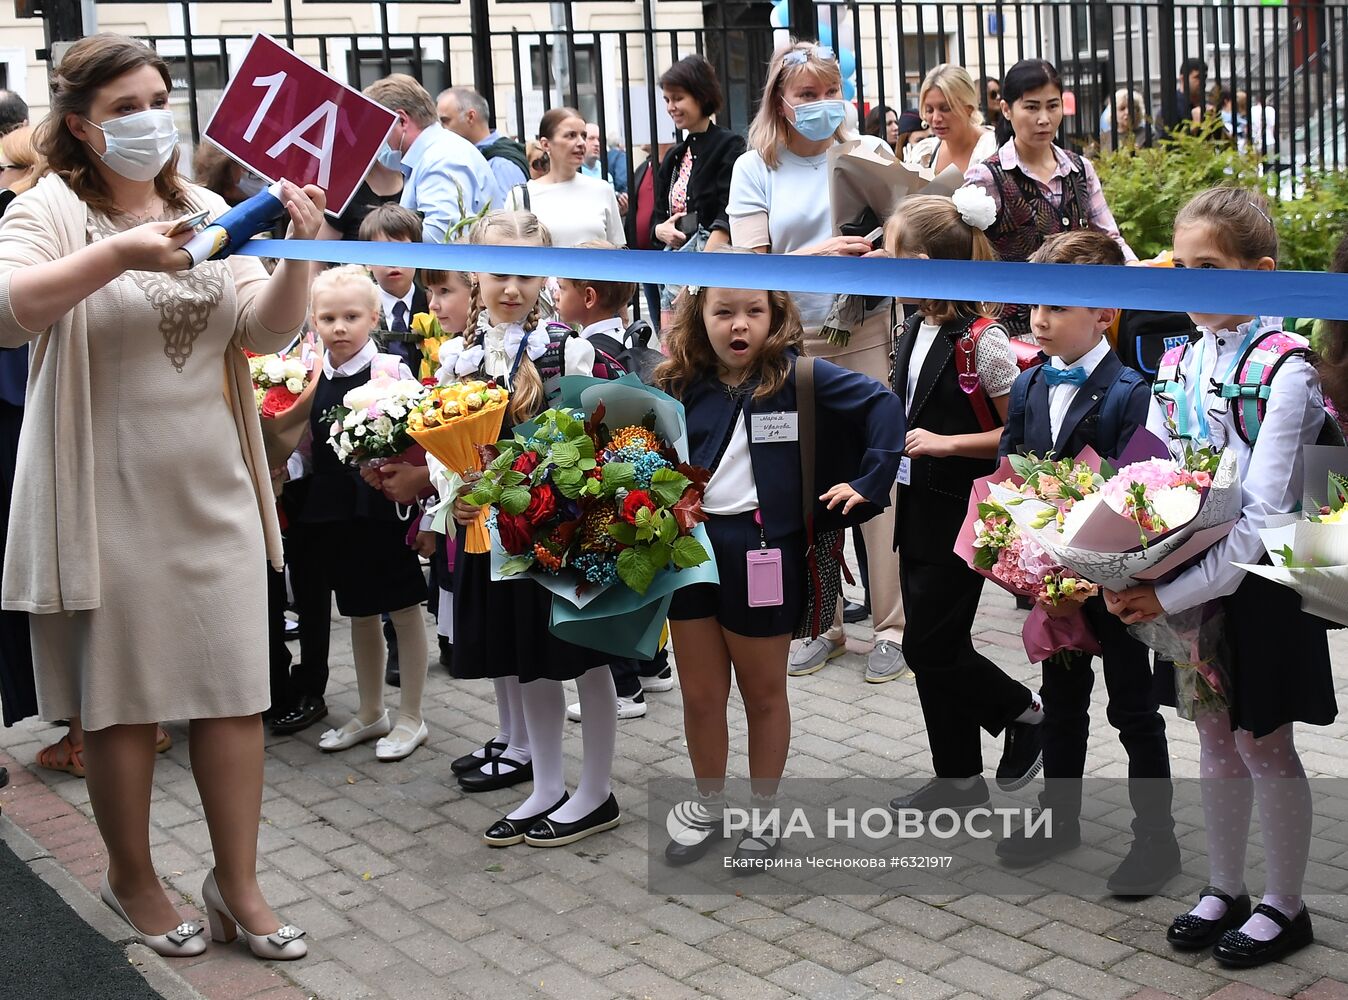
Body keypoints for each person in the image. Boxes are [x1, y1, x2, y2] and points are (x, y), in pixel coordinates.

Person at [0, 33, 320, 959]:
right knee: (123, 704)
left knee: (235, 691)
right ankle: (132, 877)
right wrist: (116, 258)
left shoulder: (210, 207)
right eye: (125, 108)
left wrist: (299, 257)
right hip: (108, 491)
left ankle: (238, 884)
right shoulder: (49, 207)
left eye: (157, 100)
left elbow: (261, 331)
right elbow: (8, 314)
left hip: (215, 484)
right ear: (80, 126)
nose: (149, 120)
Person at [1108, 188, 1337, 967]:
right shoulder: (1177, 358)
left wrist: (1162, 594)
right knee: (1211, 735)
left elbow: (1264, 519)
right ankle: (1225, 887)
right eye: (1181, 267)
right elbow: (1148, 478)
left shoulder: (1289, 370)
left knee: (1262, 741)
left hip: (1263, 586)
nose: (1190, 283)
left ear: (1260, 273)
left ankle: (1285, 905)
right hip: (1188, 579)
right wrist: (1112, 557)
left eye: (1208, 268)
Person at [656, 267, 903, 866]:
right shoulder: (677, 382)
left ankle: (763, 818)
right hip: (688, 549)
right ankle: (708, 809)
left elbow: (883, 404)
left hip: (762, 550)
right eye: (723, 312)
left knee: (763, 693)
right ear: (699, 317)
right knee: (700, 695)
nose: (738, 325)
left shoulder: (799, 378)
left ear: (775, 314)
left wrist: (870, 481)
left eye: (753, 311)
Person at [993, 230, 1179, 895]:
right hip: (1053, 585)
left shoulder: (1131, 390)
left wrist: (1093, 570)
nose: (1039, 319)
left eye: (1057, 306)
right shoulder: (1028, 382)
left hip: (1116, 586)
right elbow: (1011, 467)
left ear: (1104, 313)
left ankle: (1157, 839)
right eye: (1035, 305)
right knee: (1063, 702)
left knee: (1133, 709)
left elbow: (1139, 493)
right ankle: (1058, 819)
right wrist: (1023, 552)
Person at [728, 39, 908, 684]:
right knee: (807, 481)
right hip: (792, 342)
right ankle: (823, 622)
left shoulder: (867, 153)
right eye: (807, 94)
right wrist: (815, 256)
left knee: (878, 473)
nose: (822, 104)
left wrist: (890, 249)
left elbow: (907, 228)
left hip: (863, 331)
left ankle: (890, 628)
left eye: (832, 91)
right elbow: (750, 268)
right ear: (780, 100)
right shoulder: (755, 167)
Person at [441, 211, 621, 848]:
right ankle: (546, 786)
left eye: (525, 272)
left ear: (546, 273)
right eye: (497, 273)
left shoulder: (569, 349)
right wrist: (457, 496)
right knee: (529, 663)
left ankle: (595, 791)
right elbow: (447, 448)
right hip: (498, 537)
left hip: (560, 532)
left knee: (585, 660)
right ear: (475, 275)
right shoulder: (459, 357)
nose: (511, 287)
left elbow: (595, 439)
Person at [880, 192, 1045, 816]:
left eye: (893, 255)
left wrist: (947, 443)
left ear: (923, 263)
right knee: (935, 648)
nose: (885, 266)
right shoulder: (911, 327)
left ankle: (1025, 714)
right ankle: (957, 780)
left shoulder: (983, 342)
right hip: (917, 507)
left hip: (963, 511)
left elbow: (1019, 434)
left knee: (928, 647)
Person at [294, 265, 431, 763]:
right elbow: (304, 444)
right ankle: (371, 710)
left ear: (374, 317)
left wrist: (421, 501)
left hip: (383, 507)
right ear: (313, 321)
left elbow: (421, 437)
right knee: (358, 610)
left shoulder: (390, 371)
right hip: (335, 507)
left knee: (403, 607)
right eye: (328, 318)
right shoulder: (312, 373)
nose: (340, 328)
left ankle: (412, 715)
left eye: (351, 317)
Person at [963, 58, 1136, 337]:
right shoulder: (987, 177)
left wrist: (1139, 273)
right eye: (1031, 107)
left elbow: (1109, 237)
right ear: (1006, 109)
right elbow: (968, 254)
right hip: (1017, 335)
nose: (1044, 119)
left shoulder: (1080, 169)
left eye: (1053, 106)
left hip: (1081, 329)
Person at [651, 54, 746, 324]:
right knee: (673, 346)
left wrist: (699, 277)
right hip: (674, 270)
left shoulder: (730, 146)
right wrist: (660, 230)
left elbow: (727, 216)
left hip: (713, 271)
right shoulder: (674, 156)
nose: (671, 107)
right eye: (667, 100)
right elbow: (656, 220)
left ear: (701, 96)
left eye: (678, 98)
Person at [364, 74, 498, 244]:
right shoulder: (436, 153)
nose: (377, 139)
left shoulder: (440, 160)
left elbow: (439, 241)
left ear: (402, 121)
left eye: (378, 128)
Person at [505, 107, 625, 248]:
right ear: (546, 144)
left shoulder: (602, 190)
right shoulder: (521, 195)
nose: (581, 142)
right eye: (571, 135)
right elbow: (509, 254)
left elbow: (618, 250)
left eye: (583, 136)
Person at [358, 203, 429, 374]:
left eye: (402, 251)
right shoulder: (359, 309)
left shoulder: (433, 305)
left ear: (418, 254)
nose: (393, 262)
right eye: (383, 253)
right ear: (367, 261)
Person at [904, 64, 998, 176]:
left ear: (968, 108)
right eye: (929, 110)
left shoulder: (994, 149)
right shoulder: (923, 154)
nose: (936, 118)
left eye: (945, 109)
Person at [436, 86, 529, 196]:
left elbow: (513, 206)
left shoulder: (501, 165)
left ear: (470, 117)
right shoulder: (466, 157)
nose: (440, 128)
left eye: (445, 121)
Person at [1169, 56, 1209, 133]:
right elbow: (1168, 138)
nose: (1203, 81)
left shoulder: (1206, 104)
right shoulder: (1172, 107)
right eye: (1198, 77)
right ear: (1183, 79)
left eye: (1204, 77)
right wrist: (1195, 126)